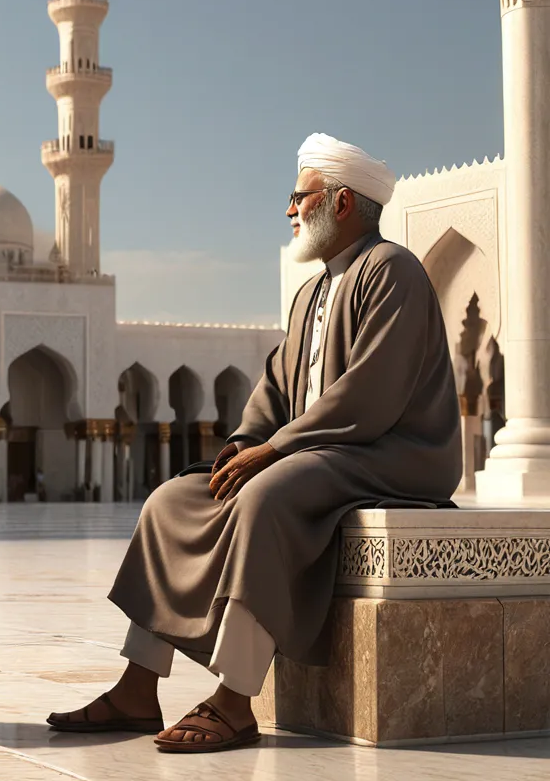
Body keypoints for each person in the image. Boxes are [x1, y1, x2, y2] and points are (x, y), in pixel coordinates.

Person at [48, 132, 461, 754]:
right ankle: (138, 686)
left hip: (392, 455)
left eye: (301, 197)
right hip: (320, 452)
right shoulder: (313, 291)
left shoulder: (392, 271)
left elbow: (373, 392)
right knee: (173, 499)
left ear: (342, 203)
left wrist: (274, 450)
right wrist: (245, 440)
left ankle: (235, 699)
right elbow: (275, 385)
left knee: (264, 497)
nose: (291, 210)